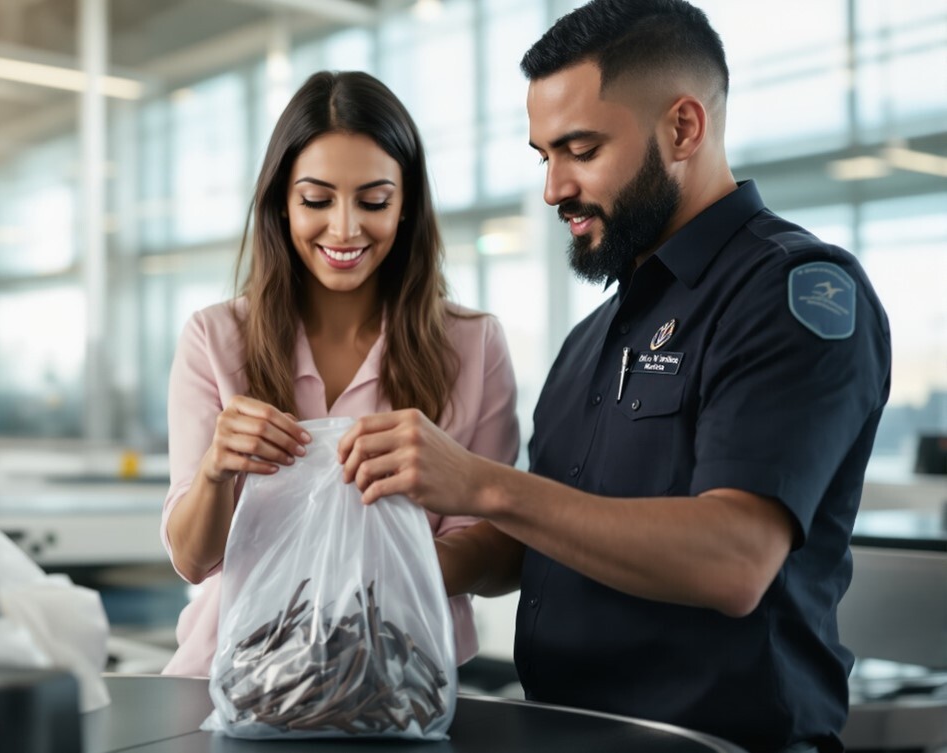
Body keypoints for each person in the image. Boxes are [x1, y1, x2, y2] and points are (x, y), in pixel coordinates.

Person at [336, 2, 891, 751]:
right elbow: (538, 539)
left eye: (580, 150)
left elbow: (734, 559)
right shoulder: (592, 338)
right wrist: (399, 570)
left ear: (682, 129)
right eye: (544, 156)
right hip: (562, 733)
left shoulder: (792, 294)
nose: (553, 187)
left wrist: (481, 483)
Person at [159, 71, 521, 677]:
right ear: (282, 202)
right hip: (227, 679)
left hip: (401, 681)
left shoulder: (474, 345)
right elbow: (193, 561)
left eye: (374, 201)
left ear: (406, 207)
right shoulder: (214, 339)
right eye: (316, 200)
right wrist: (216, 471)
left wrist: (373, 566)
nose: (346, 228)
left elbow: (499, 555)